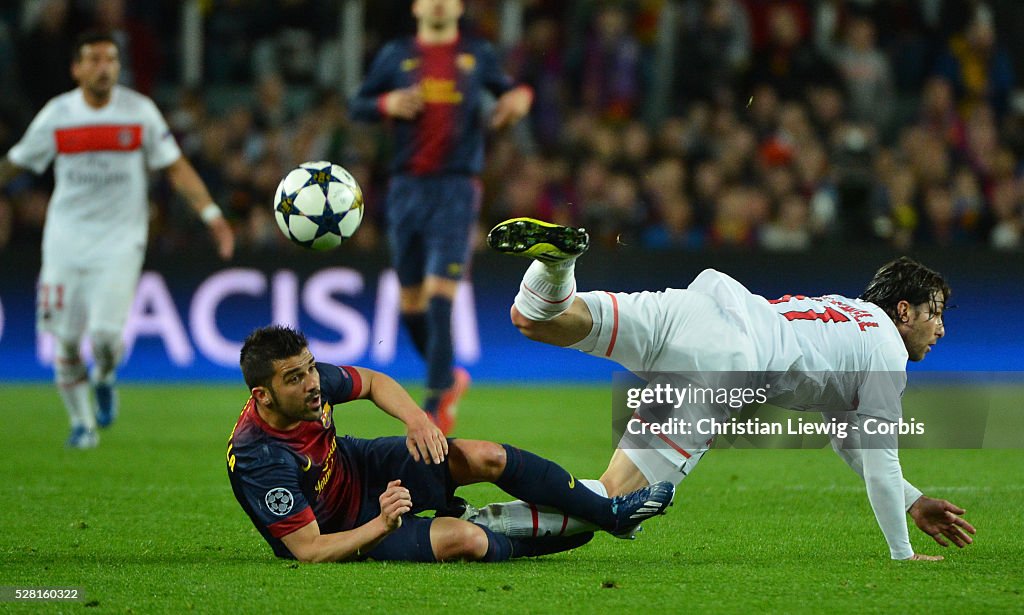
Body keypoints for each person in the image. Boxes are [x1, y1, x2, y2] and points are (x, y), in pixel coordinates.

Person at [478, 217, 977, 561]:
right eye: (935, 313)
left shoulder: (845, 315)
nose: (941, 330)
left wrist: (911, 500)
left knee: (536, 319)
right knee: (613, 502)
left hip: (702, 309)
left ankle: (557, 263)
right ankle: (483, 526)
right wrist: (902, 551)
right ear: (904, 312)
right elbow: (880, 457)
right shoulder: (885, 350)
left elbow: (850, 440)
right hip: (728, 364)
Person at [226, 325, 674, 563]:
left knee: (485, 456)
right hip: (340, 530)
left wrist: (417, 420)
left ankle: (608, 514)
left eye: (309, 368)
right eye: (295, 377)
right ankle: (524, 537)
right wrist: (382, 523)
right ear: (262, 395)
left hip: (358, 466)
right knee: (467, 541)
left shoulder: (310, 381)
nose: (312, 382)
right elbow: (309, 551)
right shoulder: (260, 457)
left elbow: (375, 382)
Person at [0, 31, 234, 449]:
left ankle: (105, 377)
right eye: (93, 59)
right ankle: (82, 424)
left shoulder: (138, 112)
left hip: (121, 238)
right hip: (65, 240)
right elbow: (16, 163)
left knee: (107, 337)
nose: (103, 67)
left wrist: (212, 215)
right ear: (76, 68)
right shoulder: (58, 115)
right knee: (67, 338)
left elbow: (175, 167)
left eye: (110, 59)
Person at [349, 0, 533, 434]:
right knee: (410, 304)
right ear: (415, 6)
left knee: (438, 295)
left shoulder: (475, 54)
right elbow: (358, 104)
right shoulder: (396, 55)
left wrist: (519, 100)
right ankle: (449, 380)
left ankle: (435, 404)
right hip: (405, 188)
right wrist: (387, 102)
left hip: (456, 186)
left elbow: (513, 90)